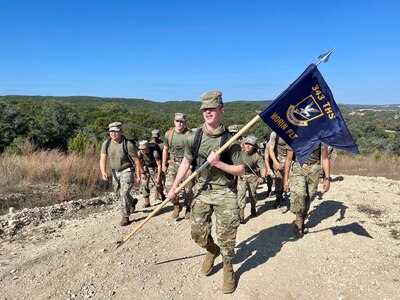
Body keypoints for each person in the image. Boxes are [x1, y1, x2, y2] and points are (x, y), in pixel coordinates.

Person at [166, 91, 244, 294]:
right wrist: (174, 186)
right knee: (198, 234)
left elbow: (241, 169)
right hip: (201, 189)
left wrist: (219, 163)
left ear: (221, 110)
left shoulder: (231, 139)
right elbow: (186, 162)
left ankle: (228, 268)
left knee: (227, 237)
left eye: (212, 108)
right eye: (205, 109)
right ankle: (212, 250)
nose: (208, 112)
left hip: (225, 191)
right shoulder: (194, 136)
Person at [99, 122, 145, 226]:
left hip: (127, 170)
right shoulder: (106, 144)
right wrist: (103, 172)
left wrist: (142, 172)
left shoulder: (128, 144)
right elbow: (103, 159)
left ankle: (125, 216)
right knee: (118, 192)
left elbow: (136, 160)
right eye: (111, 131)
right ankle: (132, 201)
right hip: (115, 171)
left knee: (123, 193)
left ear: (121, 131)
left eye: (116, 131)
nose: (113, 133)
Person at [283, 143, 331, 237]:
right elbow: (288, 159)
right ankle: (298, 221)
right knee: (301, 194)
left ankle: (302, 219)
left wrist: (327, 179)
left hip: (314, 169)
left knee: (309, 197)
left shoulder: (320, 136)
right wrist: (286, 179)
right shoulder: (293, 135)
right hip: (299, 167)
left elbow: (325, 158)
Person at [162, 113, 193, 219]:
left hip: (186, 163)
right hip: (173, 162)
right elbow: (165, 149)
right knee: (169, 185)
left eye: (182, 121)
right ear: (174, 121)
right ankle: (176, 205)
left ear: (185, 122)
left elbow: (194, 153)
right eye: (177, 121)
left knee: (188, 188)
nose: (179, 123)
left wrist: (191, 167)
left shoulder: (190, 135)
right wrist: (163, 164)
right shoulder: (169, 134)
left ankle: (188, 207)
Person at [237, 136, 266, 223]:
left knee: (252, 195)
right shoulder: (239, 152)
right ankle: (241, 215)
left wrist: (262, 177)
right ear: (243, 144)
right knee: (241, 194)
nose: (248, 146)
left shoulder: (257, 155)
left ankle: (253, 208)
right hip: (241, 175)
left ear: (254, 146)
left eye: (251, 144)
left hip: (252, 176)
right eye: (247, 143)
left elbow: (263, 167)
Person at [138, 140, 165, 207]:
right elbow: (138, 164)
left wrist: (158, 177)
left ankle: (162, 194)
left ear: (147, 147)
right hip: (145, 168)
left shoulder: (154, 153)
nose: (142, 150)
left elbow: (159, 165)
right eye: (141, 149)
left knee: (158, 184)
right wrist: (139, 175)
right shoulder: (140, 153)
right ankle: (147, 201)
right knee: (144, 184)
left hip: (155, 167)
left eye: (143, 149)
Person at [268, 131, 288, 208]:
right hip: (279, 159)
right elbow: (271, 150)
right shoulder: (274, 134)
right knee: (279, 180)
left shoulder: (295, 130)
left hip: (293, 159)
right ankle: (278, 198)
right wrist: (276, 162)